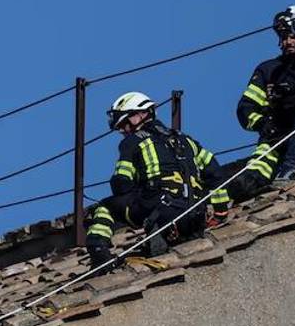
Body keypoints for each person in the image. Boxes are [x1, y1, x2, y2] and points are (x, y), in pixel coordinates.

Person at [85, 92, 232, 269]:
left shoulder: (132, 142)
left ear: (141, 114)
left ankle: (99, 255)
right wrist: (220, 213)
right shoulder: (186, 140)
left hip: (162, 213)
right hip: (195, 218)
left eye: (124, 124)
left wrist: (140, 191)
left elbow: (121, 184)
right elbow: (215, 174)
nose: (123, 131)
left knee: (105, 207)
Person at [234, 5, 295, 192]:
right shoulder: (269, 70)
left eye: (293, 36)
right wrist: (263, 124)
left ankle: (288, 169)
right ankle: (248, 184)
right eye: (284, 37)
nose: (288, 42)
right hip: (275, 134)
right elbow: (245, 108)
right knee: (258, 164)